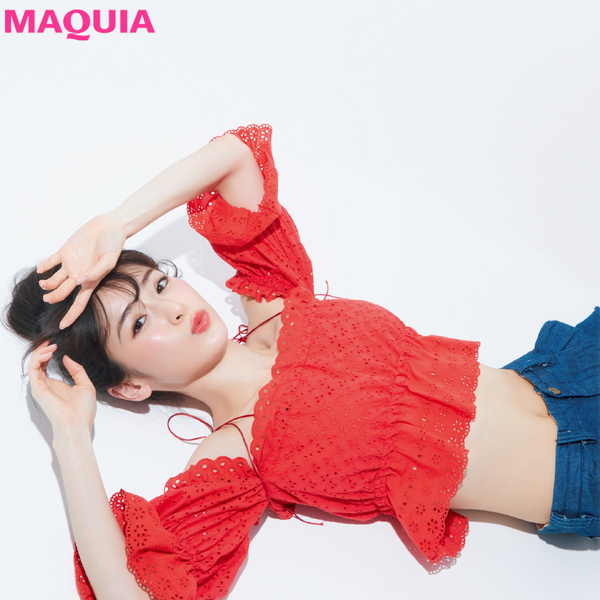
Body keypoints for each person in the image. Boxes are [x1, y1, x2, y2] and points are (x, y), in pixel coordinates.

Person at [5, 124, 599, 600]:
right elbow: (133, 593)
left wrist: (115, 224)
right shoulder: (239, 454)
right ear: (131, 386)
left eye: (160, 284)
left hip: (569, 372)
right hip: (580, 473)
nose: (174, 309)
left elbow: (236, 153)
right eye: (139, 323)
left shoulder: (277, 299)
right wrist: (71, 438)